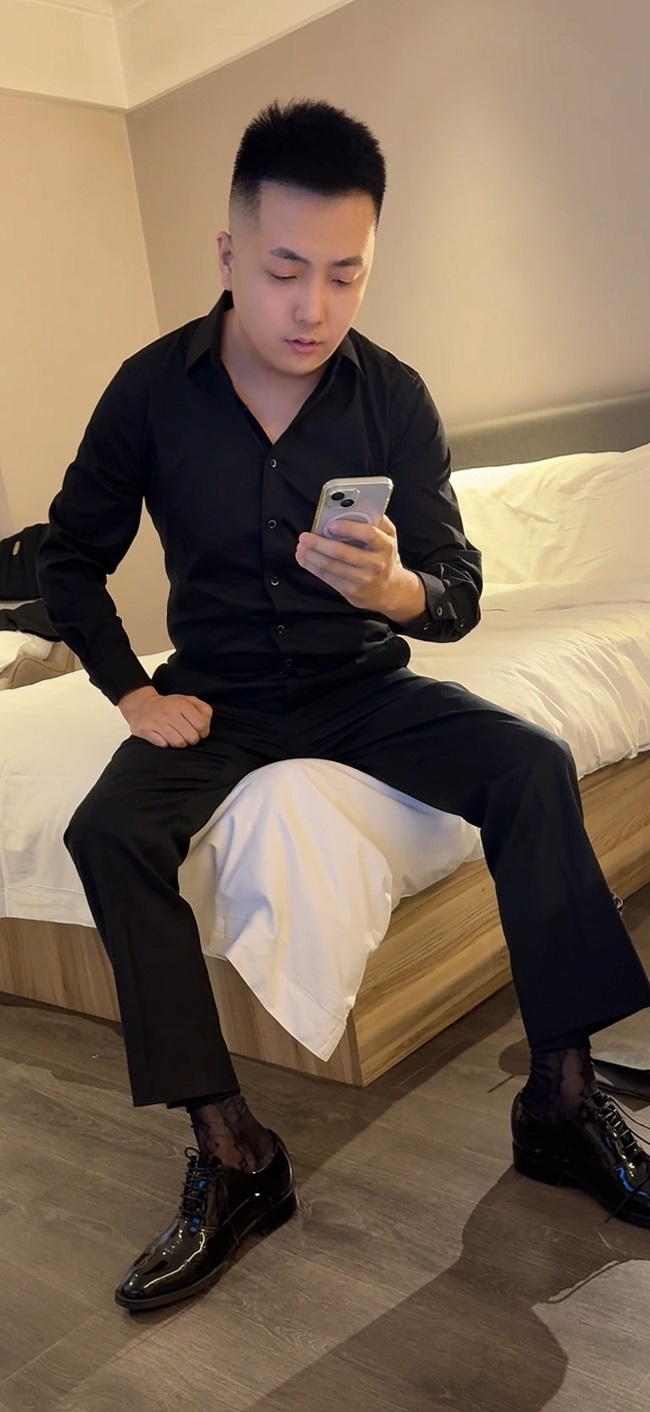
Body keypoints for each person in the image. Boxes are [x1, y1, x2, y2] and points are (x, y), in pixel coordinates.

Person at [38, 99, 650, 1312]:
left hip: (362, 686)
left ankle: (561, 1099)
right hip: (216, 696)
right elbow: (68, 558)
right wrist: (132, 688)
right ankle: (232, 1150)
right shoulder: (149, 392)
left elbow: (457, 590)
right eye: (283, 271)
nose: (312, 307)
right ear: (228, 255)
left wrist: (395, 589)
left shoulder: (393, 396)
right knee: (106, 832)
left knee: (529, 764)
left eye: (344, 273)